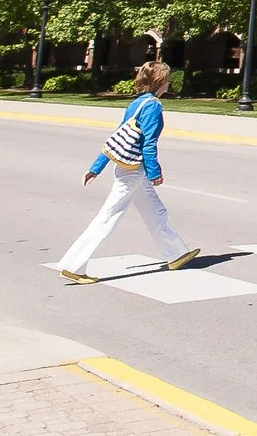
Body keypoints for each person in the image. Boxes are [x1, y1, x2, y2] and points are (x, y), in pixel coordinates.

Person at [58, 61, 198, 282]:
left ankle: (176, 254)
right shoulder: (153, 106)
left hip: (129, 168)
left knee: (156, 212)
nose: (169, 83)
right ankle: (74, 265)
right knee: (108, 216)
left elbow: (117, 136)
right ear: (160, 82)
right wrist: (155, 173)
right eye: (167, 79)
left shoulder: (136, 104)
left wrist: (97, 167)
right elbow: (148, 143)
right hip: (134, 170)